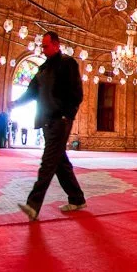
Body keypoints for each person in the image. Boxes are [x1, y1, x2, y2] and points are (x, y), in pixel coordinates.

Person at [8, 31, 85, 221]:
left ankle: (33, 205)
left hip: (61, 119)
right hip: (46, 120)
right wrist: (16, 103)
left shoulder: (67, 64)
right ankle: (77, 198)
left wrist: (68, 114)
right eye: (42, 46)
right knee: (59, 162)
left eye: (46, 46)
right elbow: (31, 92)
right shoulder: (43, 69)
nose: (42, 49)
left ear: (57, 45)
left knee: (48, 161)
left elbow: (77, 93)